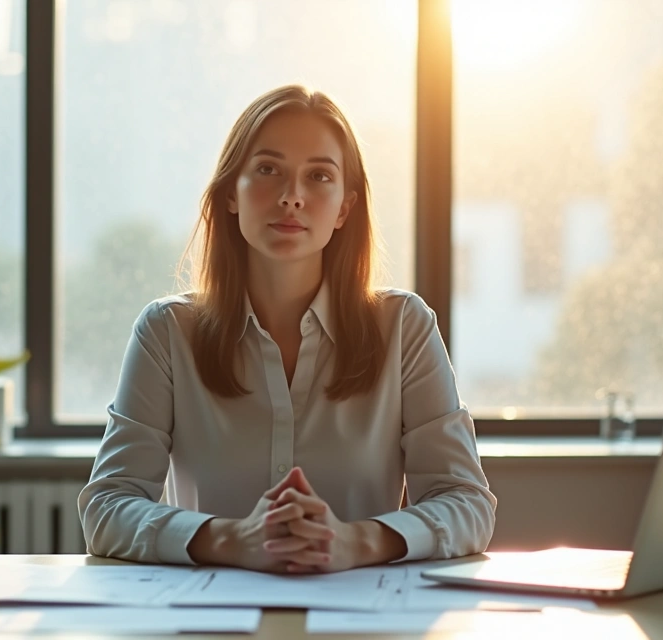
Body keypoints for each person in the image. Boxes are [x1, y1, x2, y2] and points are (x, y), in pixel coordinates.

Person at [78, 85, 496, 574]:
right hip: (211, 611)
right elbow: (107, 506)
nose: (292, 197)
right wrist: (232, 540)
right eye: (268, 170)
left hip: (360, 607)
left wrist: (354, 542)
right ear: (231, 194)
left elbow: (466, 503)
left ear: (344, 209)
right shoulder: (167, 332)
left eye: (319, 176)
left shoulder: (404, 327)